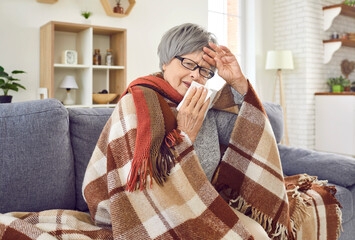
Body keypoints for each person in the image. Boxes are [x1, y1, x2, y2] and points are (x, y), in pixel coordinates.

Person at [82, 23, 341, 240]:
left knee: (259, 233)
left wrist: (239, 82)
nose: (196, 75)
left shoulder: (203, 106)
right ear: (165, 61)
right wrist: (185, 136)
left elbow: (253, 133)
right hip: (151, 209)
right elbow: (136, 189)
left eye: (205, 70)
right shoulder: (135, 104)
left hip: (200, 200)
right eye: (188, 63)